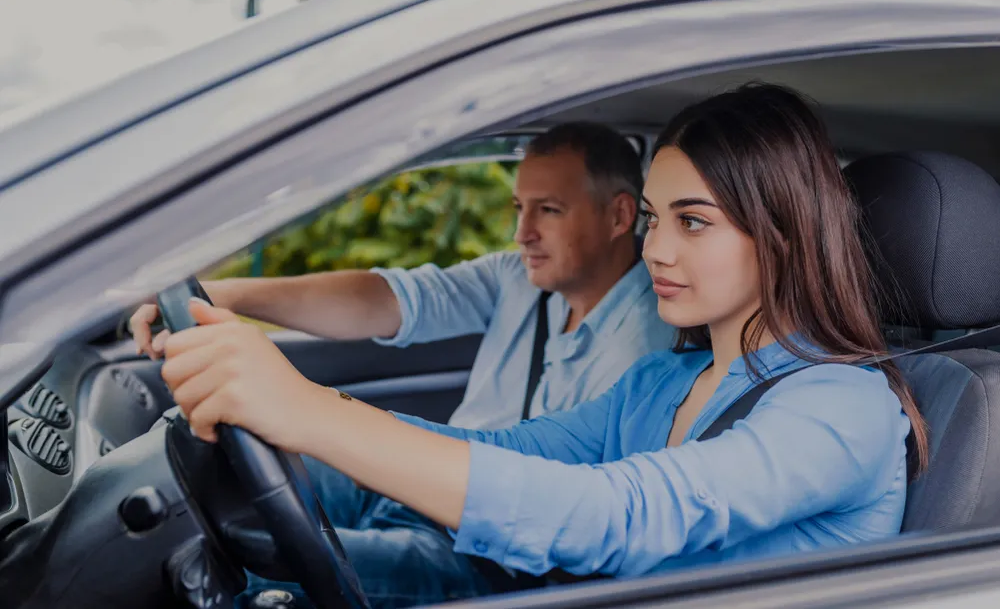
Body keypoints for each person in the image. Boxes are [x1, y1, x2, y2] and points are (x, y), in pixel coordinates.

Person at [156, 83, 929, 608]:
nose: (657, 250)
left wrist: (309, 413)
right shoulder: (663, 381)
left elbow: (618, 520)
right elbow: (503, 451)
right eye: (656, 220)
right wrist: (308, 415)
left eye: (692, 222)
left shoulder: (842, 404)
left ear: (785, 236)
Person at [132, 123, 676, 605]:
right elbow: (384, 299)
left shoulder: (649, 352)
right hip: (413, 482)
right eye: (519, 208)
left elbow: (568, 519)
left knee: (244, 577)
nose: (522, 233)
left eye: (548, 210)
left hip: (494, 558)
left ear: (619, 216)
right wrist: (223, 297)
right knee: (210, 477)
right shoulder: (521, 279)